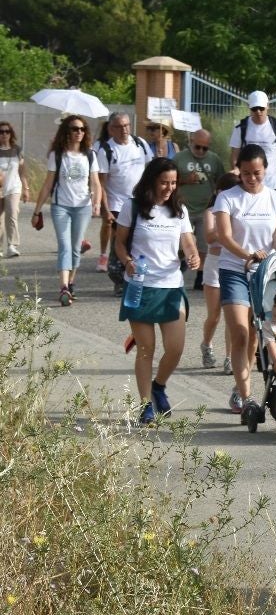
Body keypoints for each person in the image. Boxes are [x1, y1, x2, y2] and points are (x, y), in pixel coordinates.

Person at [113, 158, 201, 425]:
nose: (169, 188)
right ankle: (144, 405)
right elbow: (119, 243)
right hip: (140, 285)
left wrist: (194, 255)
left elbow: (188, 242)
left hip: (171, 286)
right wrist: (127, 262)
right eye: (164, 182)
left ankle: (159, 386)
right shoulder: (133, 206)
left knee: (175, 348)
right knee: (145, 349)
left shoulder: (179, 210)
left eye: (173, 183)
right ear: (151, 180)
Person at [212, 144, 276, 418]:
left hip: (264, 271)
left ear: (265, 170)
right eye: (246, 173)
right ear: (239, 172)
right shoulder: (227, 198)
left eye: (257, 173)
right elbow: (224, 236)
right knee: (241, 332)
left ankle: (239, 385)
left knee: (257, 333)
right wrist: (248, 255)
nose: (252, 178)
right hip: (235, 270)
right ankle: (247, 399)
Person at [32, 116, 102, 306]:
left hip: (83, 207)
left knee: (75, 248)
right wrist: (37, 211)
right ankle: (63, 287)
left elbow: (96, 183)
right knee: (65, 246)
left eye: (82, 129)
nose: (79, 132)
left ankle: (70, 283)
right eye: (74, 129)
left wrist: (97, 202)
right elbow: (47, 184)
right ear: (67, 131)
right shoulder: (58, 154)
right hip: (61, 206)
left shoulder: (90, 155)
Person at [96, 111, 153, 279]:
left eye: (127, 125)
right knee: (120, 241)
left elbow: (151, 170)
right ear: (111, 129)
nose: (124, 130)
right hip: (117, 203)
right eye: (119, 127)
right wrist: (105, 209)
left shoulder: (140, 144)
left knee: (139, 239)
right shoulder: (106, 150)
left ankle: (137, 274)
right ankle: (118, 276)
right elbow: (102, 182)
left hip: (140, 201)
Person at [200, 171, 240, 373]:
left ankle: (229, 358)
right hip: (214, 264)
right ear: (218, 191)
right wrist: (227, 226)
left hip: (233, 264)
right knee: (214, 314)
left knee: (231, 315)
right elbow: (209, 237)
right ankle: (206, 344)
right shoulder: (211, 212)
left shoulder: (239, 210)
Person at [174, 128, 226, 284]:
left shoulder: (214, 160)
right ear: (191, 142)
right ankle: (179, 265)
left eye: (205, 148)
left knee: (204, 244)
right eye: (198, 147)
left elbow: (221, 182)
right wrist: (185, 180)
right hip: (183, 208)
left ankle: (200, 275)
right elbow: (169, 180)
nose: (201, 151)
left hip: (205, 209)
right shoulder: (179, 158)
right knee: (180, 243)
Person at [230, 91, 276, 190]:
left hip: (272, 184)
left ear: (267, 106)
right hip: (249, 184)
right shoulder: (241, 128)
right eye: (254, 109)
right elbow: (234, 154)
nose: (258, 111)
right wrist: (237, 171)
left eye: (261, 108)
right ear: (249, 108)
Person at [0, 120, 30, 258]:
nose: (4, 134)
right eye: (1, 132)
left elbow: (22, 170)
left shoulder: (17, 150)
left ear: (11, 134)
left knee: (12, 213)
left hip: (14, 187)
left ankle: (12, 245)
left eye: (7, 131)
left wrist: (26, 188)